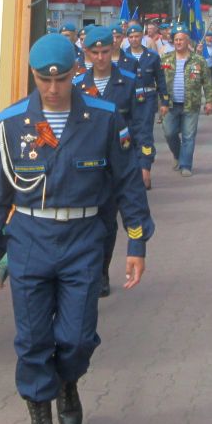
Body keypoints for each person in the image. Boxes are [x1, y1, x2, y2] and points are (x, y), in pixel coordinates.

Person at [0, 33, 153, 424]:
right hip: (30, 239)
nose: (53, 89)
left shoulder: (104, 117)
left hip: (84, 238)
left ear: (76, 71)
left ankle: (68, 382)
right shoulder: (11, 122)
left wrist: (136, 243)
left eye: (62, 79)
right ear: (32, 76)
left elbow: (128, 182)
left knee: (76, 337)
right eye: (43, 80)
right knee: (32, 340)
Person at [73, 25, 140, 297]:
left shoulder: (126, 80)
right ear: (86, 52)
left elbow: (139, 123)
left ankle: (101, 271)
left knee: (108, 223)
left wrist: (143, 161)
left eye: (105, 51)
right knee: (83, 223)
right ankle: (83, 270)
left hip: (114, 166)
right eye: (94, 52)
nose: (100, 58)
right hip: (84, 168)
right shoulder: (76, 85)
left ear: (112, 50)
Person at [159, 24, 212, 177]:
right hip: (170, 105)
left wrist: (210, 101)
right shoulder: (165, 59)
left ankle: (186, 165)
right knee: (169, 133)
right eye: (176, 40)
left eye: (181, 39)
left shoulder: (198, 60)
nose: (178, 42)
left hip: (191, 104)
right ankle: (178, 155)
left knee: (188, 136)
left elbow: (207, 82)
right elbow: (158, 81)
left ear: (188, 41)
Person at [122, 23, 170, 191]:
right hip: (128, 102)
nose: (134, 39)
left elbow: (161, 79)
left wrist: (164, 101)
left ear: (142, 37)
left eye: (137, 36)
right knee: (128, 135)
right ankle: (133, 170)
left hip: (147, 100)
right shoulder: (123, 57)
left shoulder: (152, 56)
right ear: (127, 39)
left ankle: (145, 168)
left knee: (145, 134)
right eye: (131, 37)